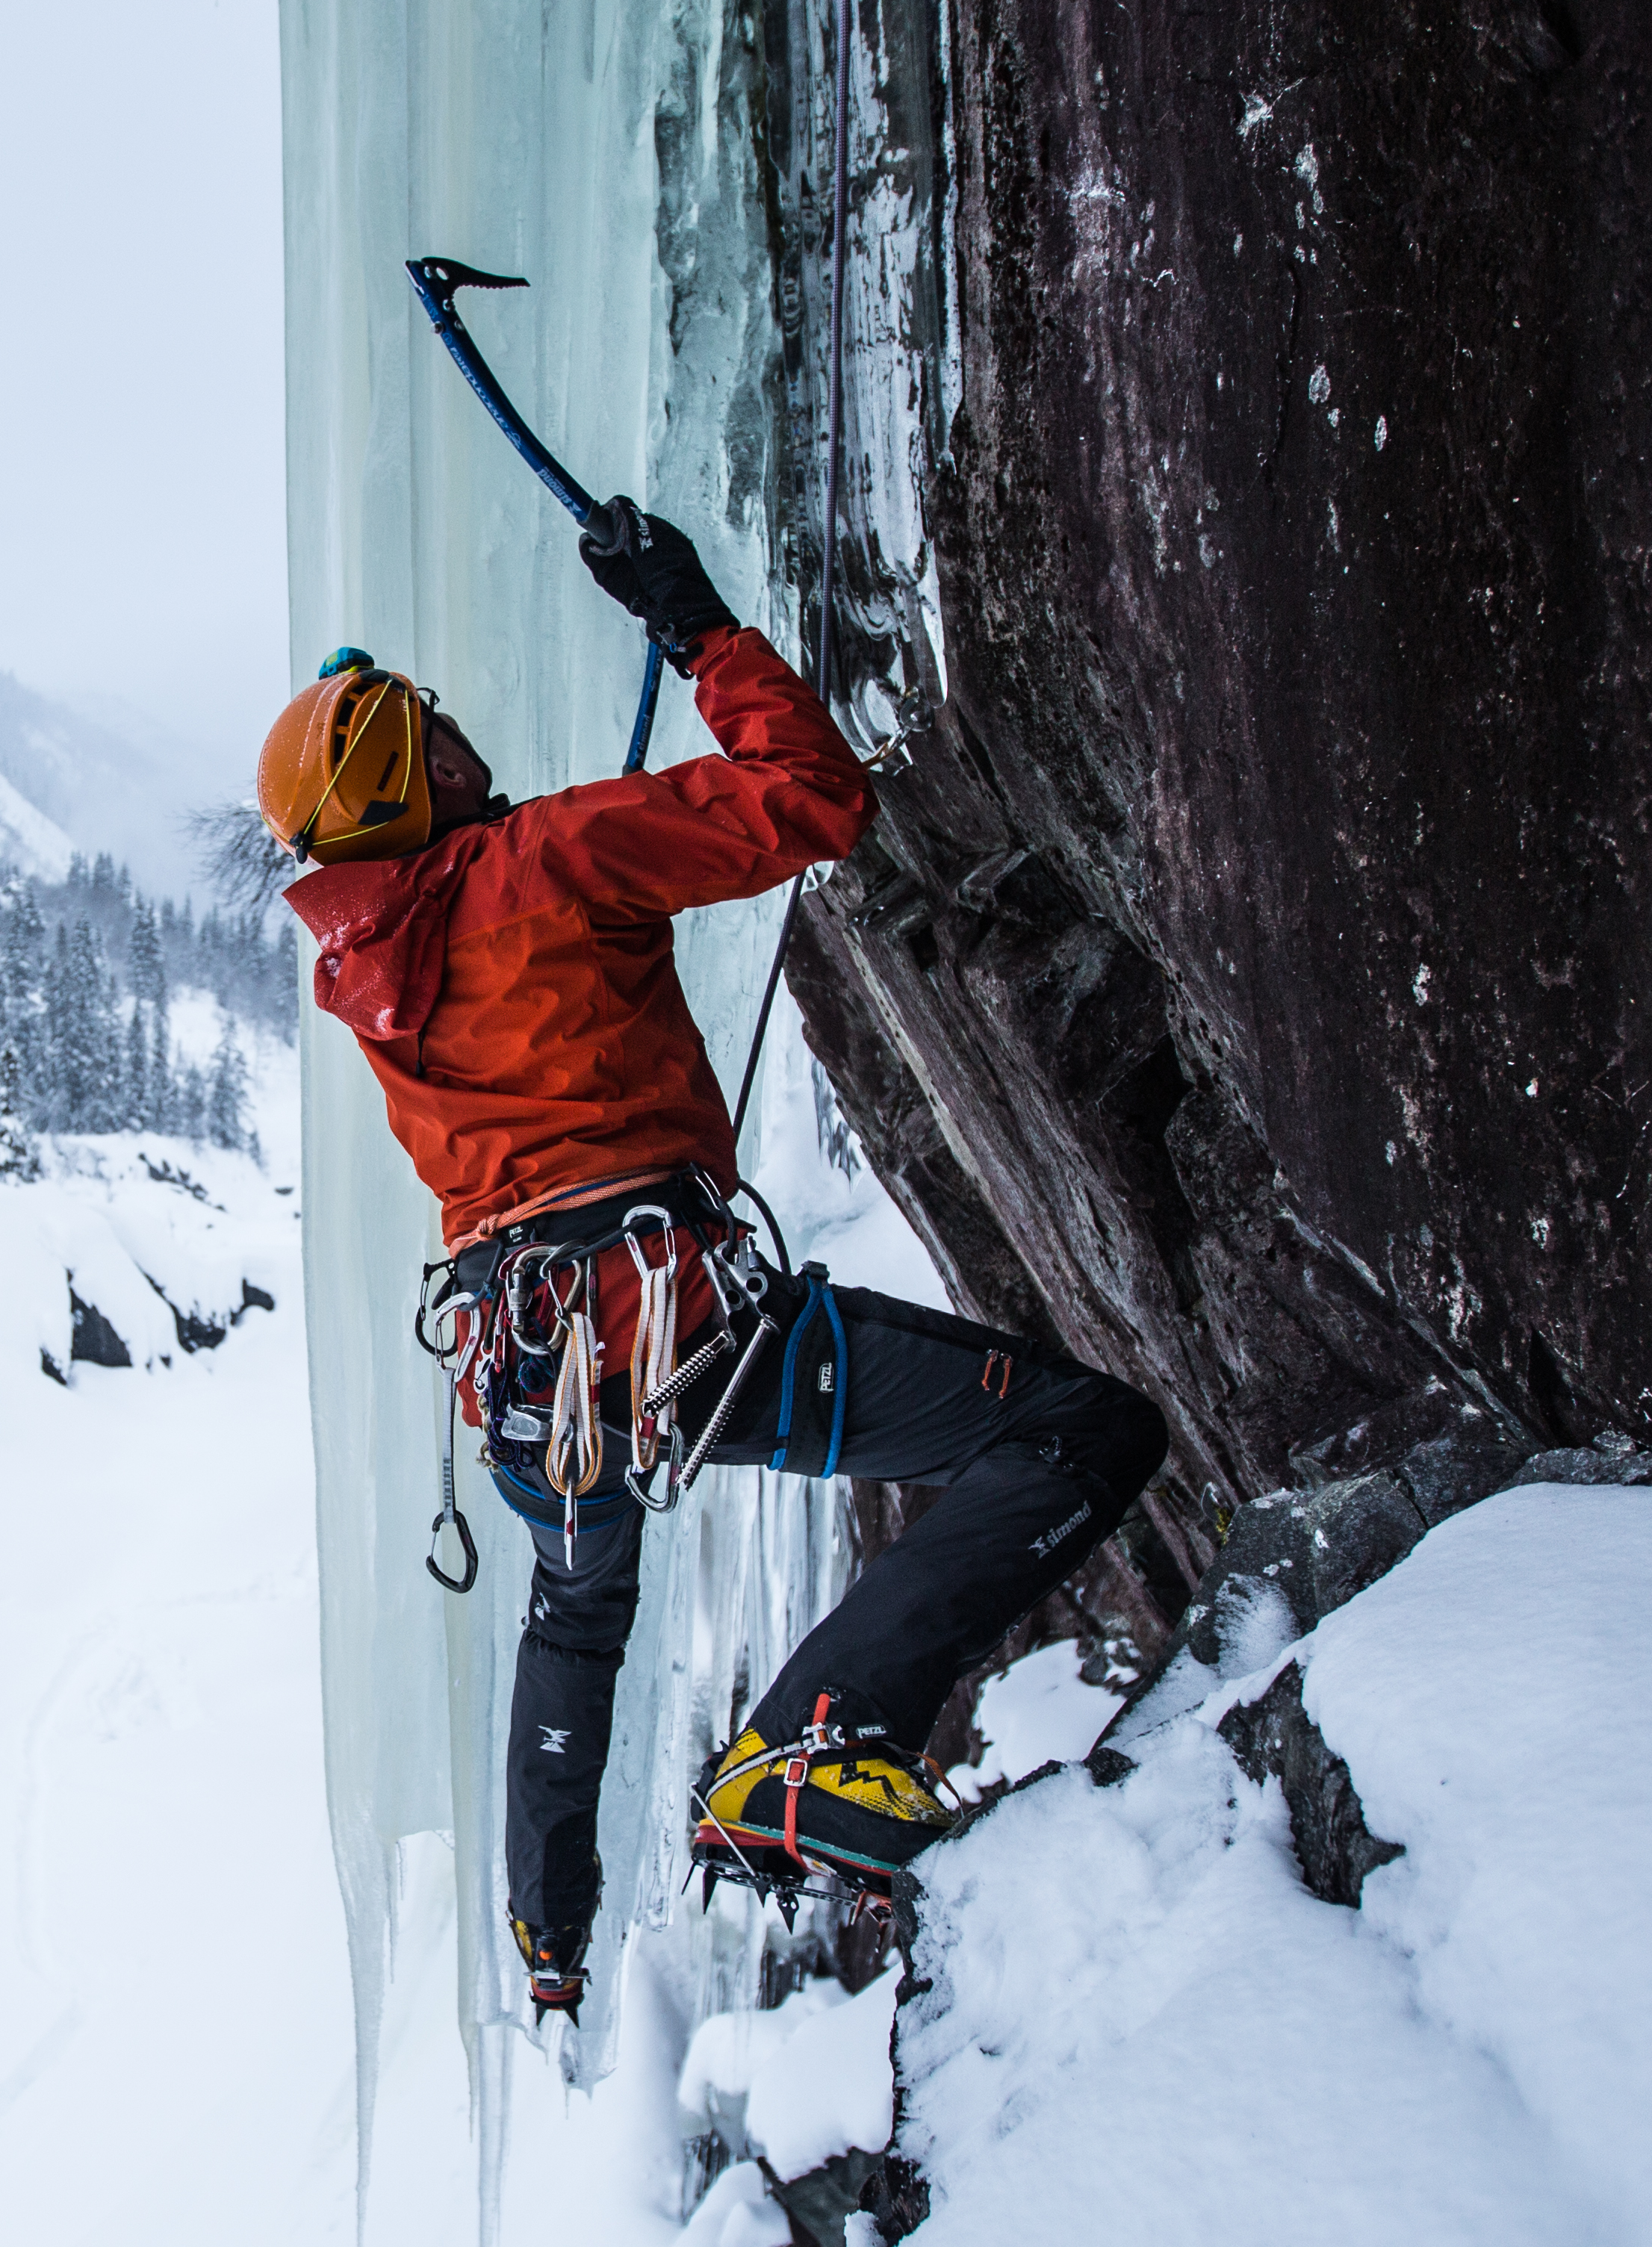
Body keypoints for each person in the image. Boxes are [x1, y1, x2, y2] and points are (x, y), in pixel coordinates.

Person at [264, 502, 1167, 2020]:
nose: (471, 742)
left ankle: (549, 1942)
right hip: (684, 1335)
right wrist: (693, 624)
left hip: (535, 1386)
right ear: (419, 780)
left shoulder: (362, 969)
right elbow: (813, 798)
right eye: (442, 737)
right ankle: (810, 1738)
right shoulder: (550, 857)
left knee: (573, 1615)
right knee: (1084, 1430)